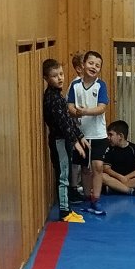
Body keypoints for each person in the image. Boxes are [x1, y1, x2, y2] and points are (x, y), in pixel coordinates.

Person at [40, 58, 87, 223]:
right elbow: (62, 124)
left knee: (65, 174)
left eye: (61, 74)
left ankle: (67, 209)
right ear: (46, 78)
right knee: (63, 176)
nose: (60, 78)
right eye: (55, 76)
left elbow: (68, 120)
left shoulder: (58, 95)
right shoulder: (52, 98)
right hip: (59, 141)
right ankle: (65, 212)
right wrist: (75, 142)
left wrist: (80, 136)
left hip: (64, 140)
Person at [66, 50, 110, 214]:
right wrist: (75, 112)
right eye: (91, 63)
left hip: (98, 134)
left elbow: (101, 108)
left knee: (97, 166)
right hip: (81, 134)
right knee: (85, 168)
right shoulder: (75, 85)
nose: (93, 67)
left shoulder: (100, 85)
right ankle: (86, 197)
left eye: (97, 65)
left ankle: (96, 199)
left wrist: (85, 111)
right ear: (83, 65)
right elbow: (70, 106)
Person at [97, 121, 135, 195]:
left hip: (128, 179)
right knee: (102, 176)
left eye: (111, 135)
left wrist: (126, 178)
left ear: (121, 136)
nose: (108, 138)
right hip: (115, 179)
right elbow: (106, 168)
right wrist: (120, 177)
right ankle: (129, 190)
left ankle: (116, 189)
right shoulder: (109, 149)